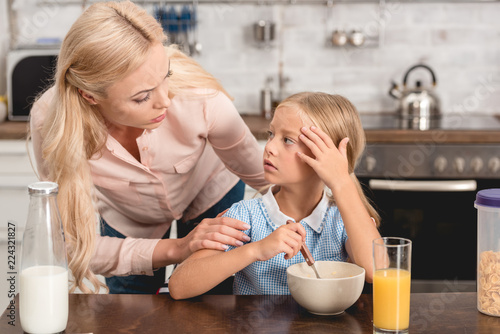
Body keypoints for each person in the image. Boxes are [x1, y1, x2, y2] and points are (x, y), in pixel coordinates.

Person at [29, 0, 267, 294]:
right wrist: (176, 248)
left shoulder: (200, 97)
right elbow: (72, 242)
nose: (165, 101)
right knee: (132, 311)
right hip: (129, 217)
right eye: (142, 97)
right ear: (89, 96)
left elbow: (269, 179)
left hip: (210, 188)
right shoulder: (50, 122)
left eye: (165, 76)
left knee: (211, 304)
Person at [169, 92, 382, 298]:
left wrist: (341, 181)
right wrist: (256, 250)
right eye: (271, 134)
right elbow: (179, 287)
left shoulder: (345, 219)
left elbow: (376, 272)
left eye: (287, 140)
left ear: (324, 157)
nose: (269, 147)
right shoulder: (246, 216)